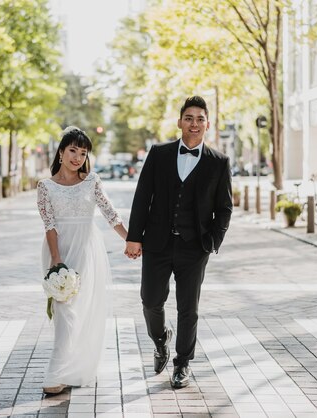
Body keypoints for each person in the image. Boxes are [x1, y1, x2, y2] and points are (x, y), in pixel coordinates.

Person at [125, 96, 232, 389]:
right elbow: (142, 197)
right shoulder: (159, 154)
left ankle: (182, 363)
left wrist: (212, 241)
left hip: (194, 247)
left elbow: (224, 207)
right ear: (179, 122)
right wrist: (134, 237)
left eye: (200, 118)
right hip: (157, 243)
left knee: (188, 308)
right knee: (150, 300)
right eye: (189, 118)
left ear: (207, 124)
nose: (194, 123)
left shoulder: (219, 162)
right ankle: (160, 341)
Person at [36, 127, 128, 395]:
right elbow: (49, 225)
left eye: (83, 152)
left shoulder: (92, 181)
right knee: (64, 310)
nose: (77, 157)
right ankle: (55, 373)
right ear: (61, 152)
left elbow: (111, 215)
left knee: (82, 309)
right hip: (59, 250)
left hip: (87, 249)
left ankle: (73, 368)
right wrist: (56, 260)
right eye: (73, 150)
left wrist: (131, 240)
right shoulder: (45, 187)